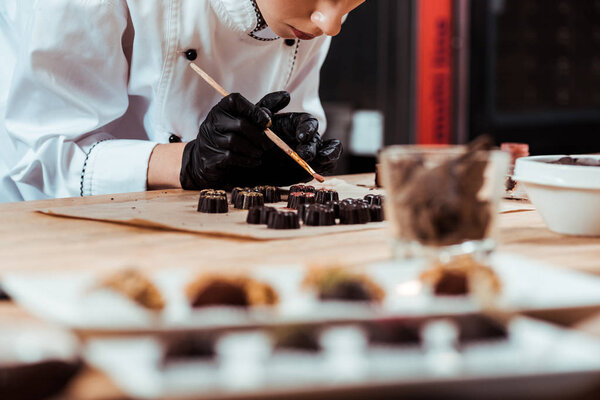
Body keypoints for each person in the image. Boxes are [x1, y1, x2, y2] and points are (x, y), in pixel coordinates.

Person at [0, 0, 365, 202]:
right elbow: (41, 161)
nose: (330, 23)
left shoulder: (307, 15)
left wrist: (270, 158)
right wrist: (187, 161)